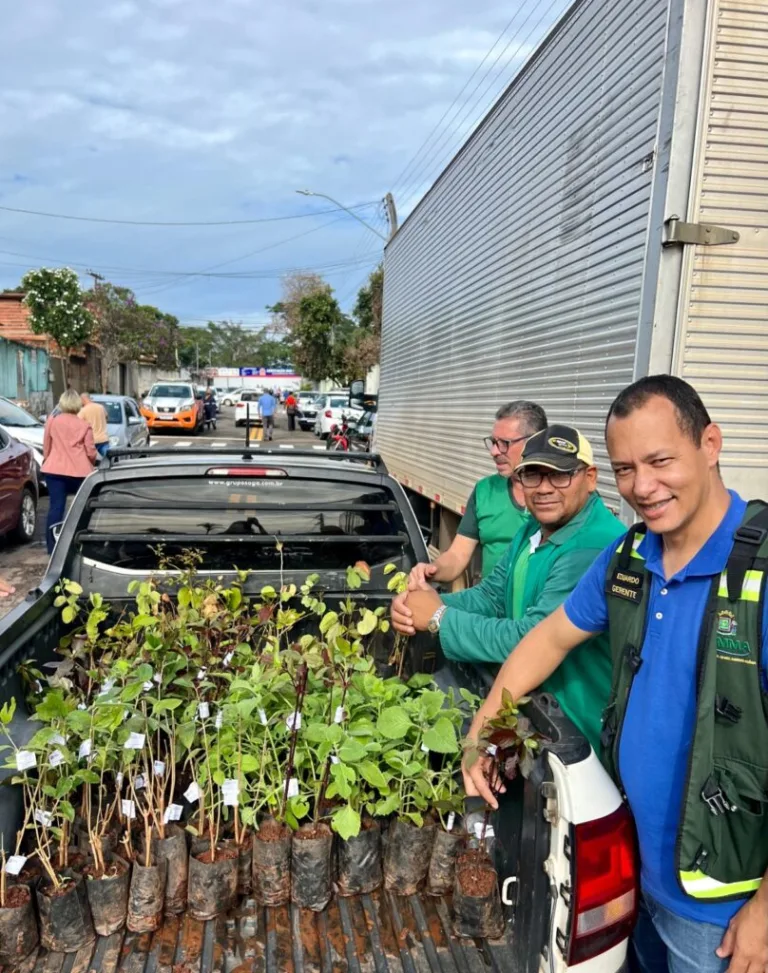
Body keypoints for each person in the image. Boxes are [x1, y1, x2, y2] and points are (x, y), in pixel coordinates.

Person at [462, 376, 768, 973]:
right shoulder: (632, 556)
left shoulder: (758, 574)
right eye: (627, 469)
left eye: (660, 461)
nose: (643, 488)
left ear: (710, 444)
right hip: (633, 874)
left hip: (721, 912)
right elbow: (546, 639)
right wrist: (483, 726)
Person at [393, 424, 624, 750]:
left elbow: (532, 639)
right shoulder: (535, 527)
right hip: (532, 708)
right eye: (532, 475)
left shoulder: (592, 545)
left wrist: (439, 617)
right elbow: (492, 594)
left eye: (560, 476)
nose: (544, 488)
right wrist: (419, 603)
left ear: (590, 477)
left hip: (575, 726)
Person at [409, 402, 548, 590]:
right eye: (493, 442)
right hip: (491, 611)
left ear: (535, 441)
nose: (494, 452)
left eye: (504, 443)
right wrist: (433, 569)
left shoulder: (560, 496)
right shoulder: (485, 491)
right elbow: (458, 555)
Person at [43, 389, 97, 554]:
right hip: (79, 473)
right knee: (83, 507)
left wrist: (48, 460)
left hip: (54, 471)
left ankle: (52, 548)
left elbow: (46, 446)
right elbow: (91, 451)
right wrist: (92, 463)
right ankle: (80, 543)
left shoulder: (52, 421)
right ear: (77, 404)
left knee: (56, 508)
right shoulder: (84, 425)